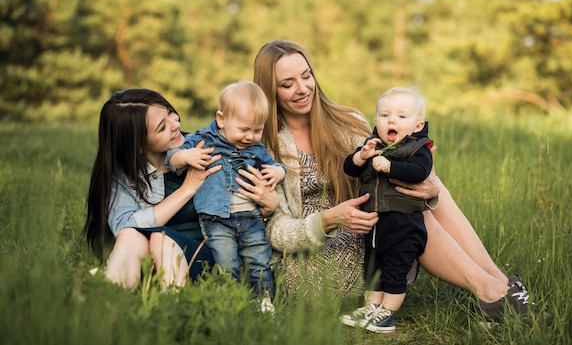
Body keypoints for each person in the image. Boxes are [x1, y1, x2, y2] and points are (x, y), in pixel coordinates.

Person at [252, 40, 531, 330]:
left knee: (421, 186)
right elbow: (274, 230)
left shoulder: (345, 121)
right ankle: (492, 292)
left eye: (306, 75)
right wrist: (330, 218)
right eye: (287, 84)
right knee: (404, 210)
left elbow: (393, 157)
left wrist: (430, 187)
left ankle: (501, 285)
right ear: (270, 90)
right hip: (314, 259)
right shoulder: (264, 146)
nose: (302, 88)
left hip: (371, 231)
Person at [82, 88, 280, 290]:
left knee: (161, 239)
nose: (176, 125)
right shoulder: (124, 177)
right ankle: (111, 301)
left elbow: (243, 208)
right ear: (138, 145)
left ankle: (173, 307)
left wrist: (269, 206)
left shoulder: (205, 148)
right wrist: (187, 189)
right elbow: (125, 227)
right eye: (162, 127)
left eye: (170, 113)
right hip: (151, 256)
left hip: (212, 250)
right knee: (131, 234)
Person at [165, 81, 285, 311]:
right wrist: (186, 157)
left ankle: (264, 301)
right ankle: (232, 301)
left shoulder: (257, 149)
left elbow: (275, 165)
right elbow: (171, 158)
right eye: (243, 129)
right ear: (221, 119)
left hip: (251, 217)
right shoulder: (204, 140)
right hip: (216, 219)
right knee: (226, 261)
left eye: (257, 130)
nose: (250, 136)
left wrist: (278, 172)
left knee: (259, 258)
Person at [340, 87, 434, 333]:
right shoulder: (372, 145)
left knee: (394, 270)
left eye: (401, 116)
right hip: (375, 225)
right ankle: (371, 307)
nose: (391, 120)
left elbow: (419, 172)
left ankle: (388, 313)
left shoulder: (418, 149)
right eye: (384, 115)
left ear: (417, 125)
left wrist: (391, 167)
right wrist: (362, 156)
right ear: (376, 121)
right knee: (373, 268)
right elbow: (350, 169)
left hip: (404, 225)